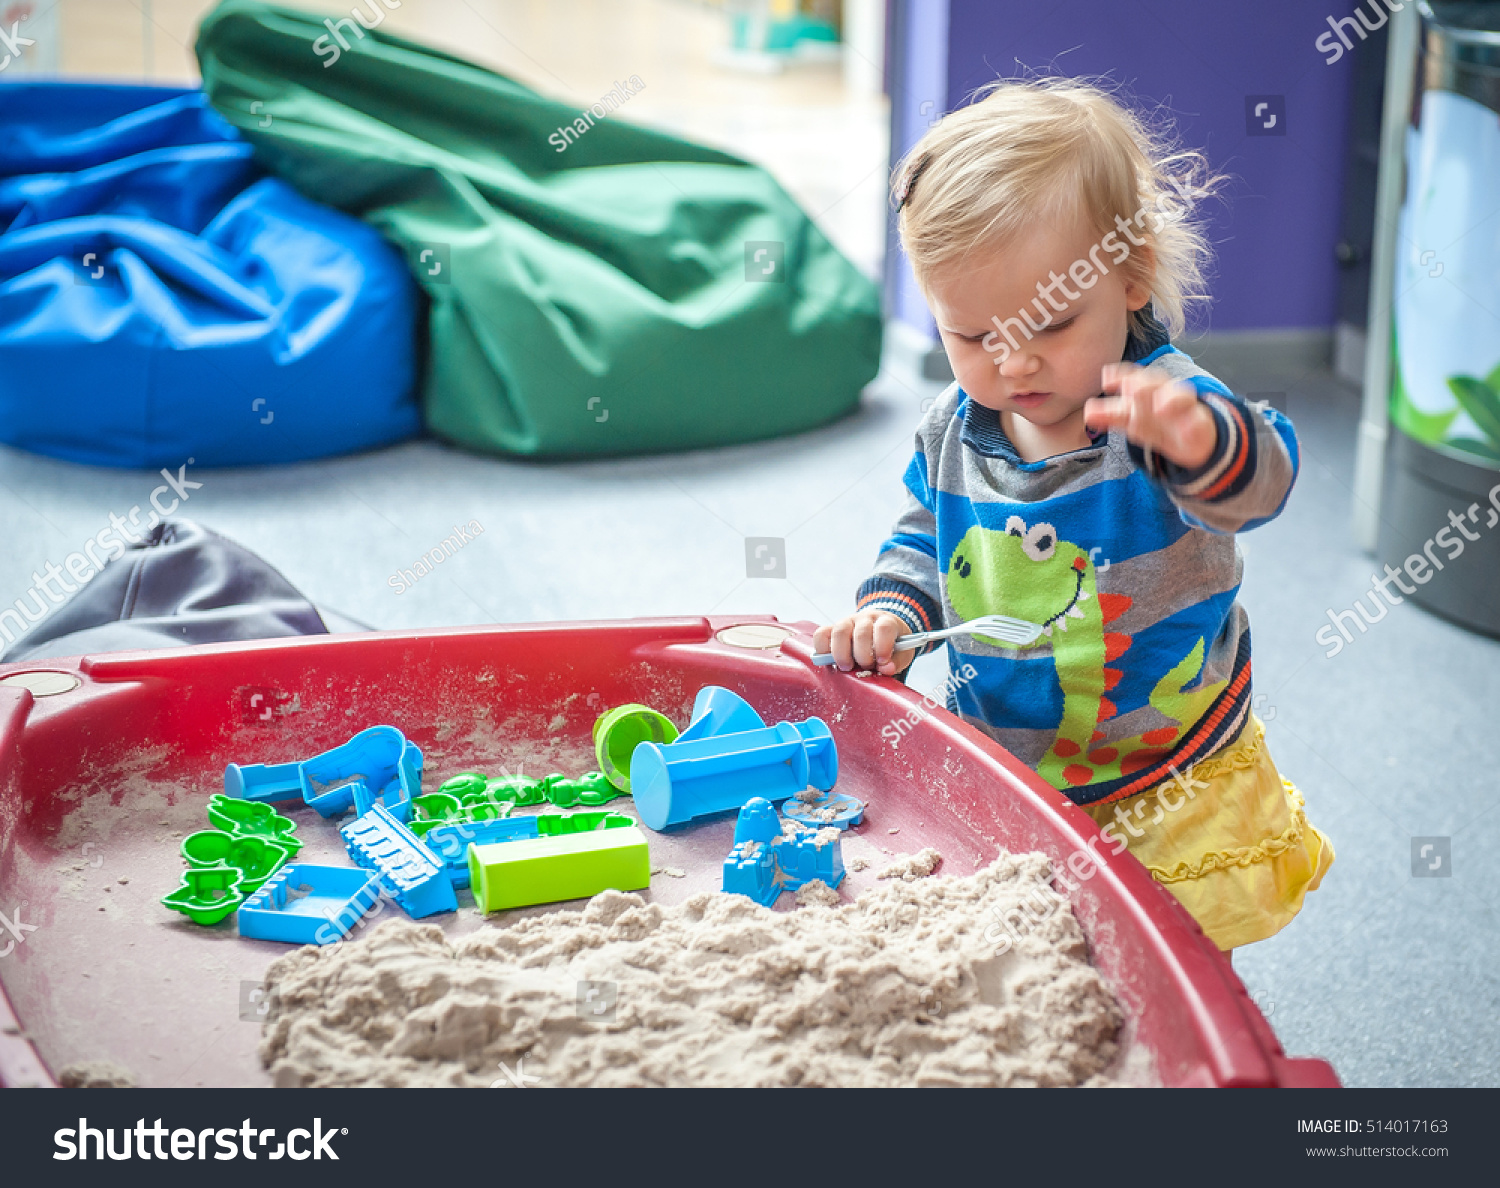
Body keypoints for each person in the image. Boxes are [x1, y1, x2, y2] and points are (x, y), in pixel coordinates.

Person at [814, 77, 1333, 951]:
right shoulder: (953, 424)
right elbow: (922, 534)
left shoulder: (1164, 408)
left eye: (1050, 323)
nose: (1012, 363)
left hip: (1168, 775)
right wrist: (893, 609)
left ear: (1130, 278)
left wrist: (1201, 442)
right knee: (1029, 951)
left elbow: (1264, 483)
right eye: (973, 336)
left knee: (1162, 962)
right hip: (1010, 764)